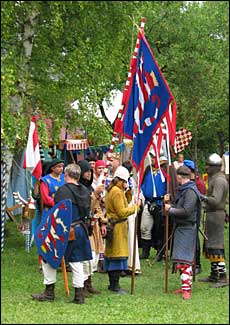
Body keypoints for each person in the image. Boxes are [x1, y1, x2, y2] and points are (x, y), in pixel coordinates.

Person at [31, 164, 93, 304]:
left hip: (64, 230)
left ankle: (49, 292)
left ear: (66, 175)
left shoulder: (62, 191)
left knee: (48, 256)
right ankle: (79, 295)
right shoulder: (84, 190)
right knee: (76, 261)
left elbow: (58, 213)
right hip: (80, 228)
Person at [164, 165, 201, 300]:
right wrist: (170, 204)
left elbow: (186, 211)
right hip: (181, 228)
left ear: (180, 177)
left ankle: (187, 289)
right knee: (180, 258)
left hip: (187, 228)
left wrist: (170, 210)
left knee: (184, 260)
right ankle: (184, 285)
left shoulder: (190, 192)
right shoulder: (184, 190)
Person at [104, 166, 139, 294]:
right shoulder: (116, 192)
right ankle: (115, 285)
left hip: (115, 226)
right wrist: (135, 207)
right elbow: (121, 211)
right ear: (121, 180)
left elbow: (122, 203)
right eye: (125, 181)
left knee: (112, 255)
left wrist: (128, 193)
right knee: (117, 256)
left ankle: (113, 284)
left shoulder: (113, 190)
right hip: (117, 227)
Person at [139, 150, 177, 261]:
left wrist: (168, 199)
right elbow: (143, 184)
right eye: (152, 157)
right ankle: (145, 251)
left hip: (161, 204)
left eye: (154, 157)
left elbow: (171, 187)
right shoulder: (148, 169)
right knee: (144, 227)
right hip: (148, 202)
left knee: (159, 230)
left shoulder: (168, 169)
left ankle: (159, 252)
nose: (152, 159)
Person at [198, 153, 229, 288]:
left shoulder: (219, 181)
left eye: (208, 165)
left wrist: (202, 197)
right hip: (212, 215)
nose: (206, 167)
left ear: (214, 167)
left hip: (216, 215)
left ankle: (223, 277)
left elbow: (216, 201)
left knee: (216, 246)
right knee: (210, 245)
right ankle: (214, 274)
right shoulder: (214, 178)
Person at [77, 159, 101, 295]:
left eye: (89, 172)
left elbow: (96, 207)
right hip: (83, 224)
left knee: (95, 255)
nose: (88, 174)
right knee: (87, 255)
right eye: (86, 171)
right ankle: (83, 284)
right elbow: (86, 206)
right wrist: (95, 195)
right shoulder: (79, 188)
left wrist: (102, 220)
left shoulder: (89, 187)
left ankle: (89, 282)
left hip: (94, 224)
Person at [38, 158, 65, 271]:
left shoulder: (65, 178)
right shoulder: (45, 181)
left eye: (62, 166)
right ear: (53, 168)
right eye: (58, 166)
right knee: (47, 236)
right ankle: (44, 261)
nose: (61, 168)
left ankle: (60, 261)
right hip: (50, 211)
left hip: (62, 211)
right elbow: (46, 198)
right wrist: (57, 202)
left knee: (61, 234)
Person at [183, 159, 205, 274]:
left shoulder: (198, 183)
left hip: (193, 216)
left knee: (195, 240)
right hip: (184, 216)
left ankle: (197, 264)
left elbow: (201, 199)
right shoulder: (184, 182)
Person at [121, 160, 141, 276]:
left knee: (131, 237)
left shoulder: (131, 181)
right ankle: (124, 264)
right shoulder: (122, 182)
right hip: (125, 210)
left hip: (129, 210)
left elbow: (137, 193)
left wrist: (137, 202)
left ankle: (132, 264)